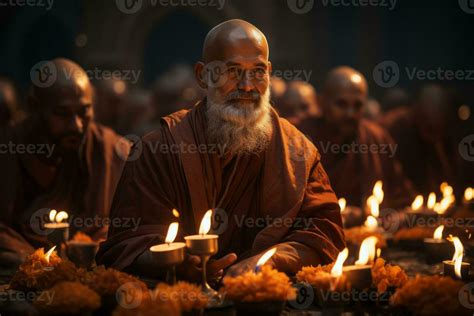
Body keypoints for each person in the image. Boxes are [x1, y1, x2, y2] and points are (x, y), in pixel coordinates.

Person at [97, 19, 345, 281]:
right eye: (233, 71)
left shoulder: (296, 151)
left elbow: (325, 234)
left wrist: (268, 262)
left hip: (267, 297)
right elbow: (124, 244)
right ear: (203, 75)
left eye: (258, 71)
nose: (248, 85)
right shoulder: (159, 149)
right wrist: (172, 262)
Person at [0, 59, 130, 272]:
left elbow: (126, 224)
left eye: (84, 111)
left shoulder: (108, 149)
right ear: (35, 108)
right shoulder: (8, 148)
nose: (77, 125)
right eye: (62, 113)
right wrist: (33, 260)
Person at [298, 66, 414, 208]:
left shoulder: (376, 138)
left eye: (357, 105)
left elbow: (400, 195)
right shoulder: (301, 136)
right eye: (341, 104)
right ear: (322, 102)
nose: (350, 114)